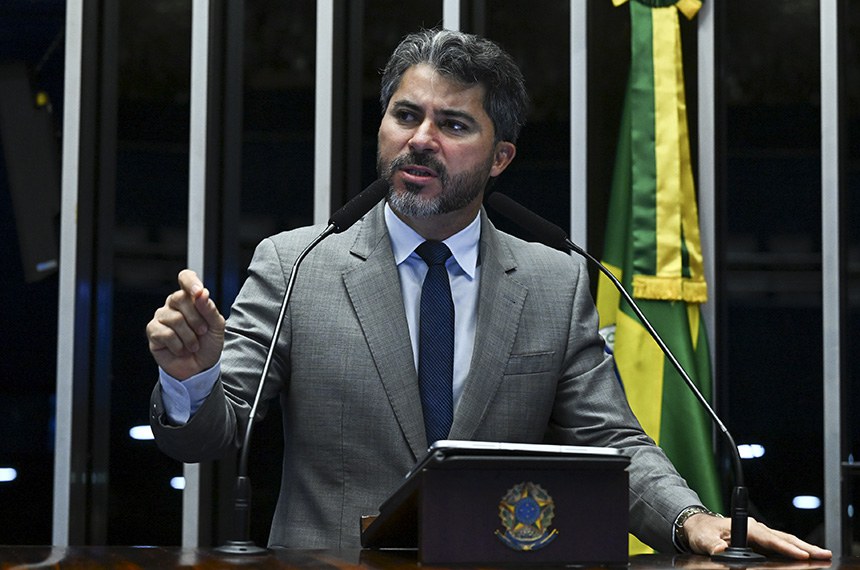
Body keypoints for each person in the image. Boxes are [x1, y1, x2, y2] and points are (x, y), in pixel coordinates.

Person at [146, 29, 831, 559]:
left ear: (500, 156)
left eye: (453, 124)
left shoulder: (554, 282)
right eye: (405, 115)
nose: (419, 140)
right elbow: (211, 436)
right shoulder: (300, 264)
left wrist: (691, 520)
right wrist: (191, 378)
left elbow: (611, 440)